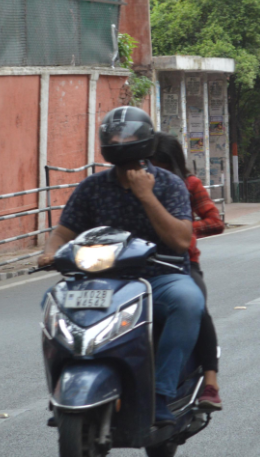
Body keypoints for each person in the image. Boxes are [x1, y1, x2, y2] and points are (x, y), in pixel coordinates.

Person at [37, 106, 204, 426]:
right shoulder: (92, 187)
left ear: (144, 141)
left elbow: (182, 240)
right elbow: (63, 231)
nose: (119, 140)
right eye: (114, 136)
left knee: (188, 301)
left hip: (159, 277)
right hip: (98, 282)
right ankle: (61, 387)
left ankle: (161, 393)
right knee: (51, 303)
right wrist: (50, 251)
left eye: (126, 135)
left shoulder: (169, 185)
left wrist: (146, 196)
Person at [151, 132, 224, 410]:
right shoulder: (134, 187)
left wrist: (179, 230)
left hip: (182, 264)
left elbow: (214, 221)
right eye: (151, 164)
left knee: (196, 308)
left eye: (162, 165)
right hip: (140, 265)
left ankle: (210, 382)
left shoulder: (189, 184)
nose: (157, 172)